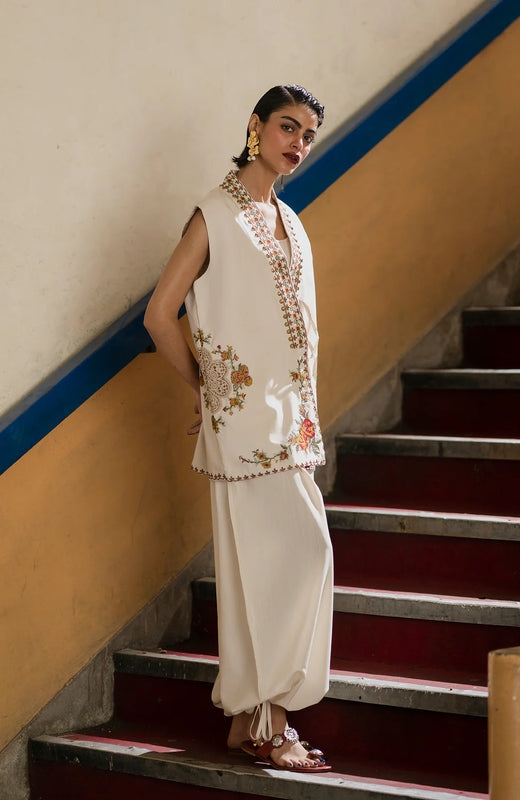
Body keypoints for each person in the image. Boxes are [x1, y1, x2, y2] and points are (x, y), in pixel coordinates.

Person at [144, 85, 333, 772]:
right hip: (245, 424)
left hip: (293, 425)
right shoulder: (215, 215)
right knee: (283, 561)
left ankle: (251, 721)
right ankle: (267, 723)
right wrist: (208, 386)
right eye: (287, 127)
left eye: (308, 134)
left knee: (293, 561)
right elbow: (160, 314)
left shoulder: (290, 221)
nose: (297, 144)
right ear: (255, 127)